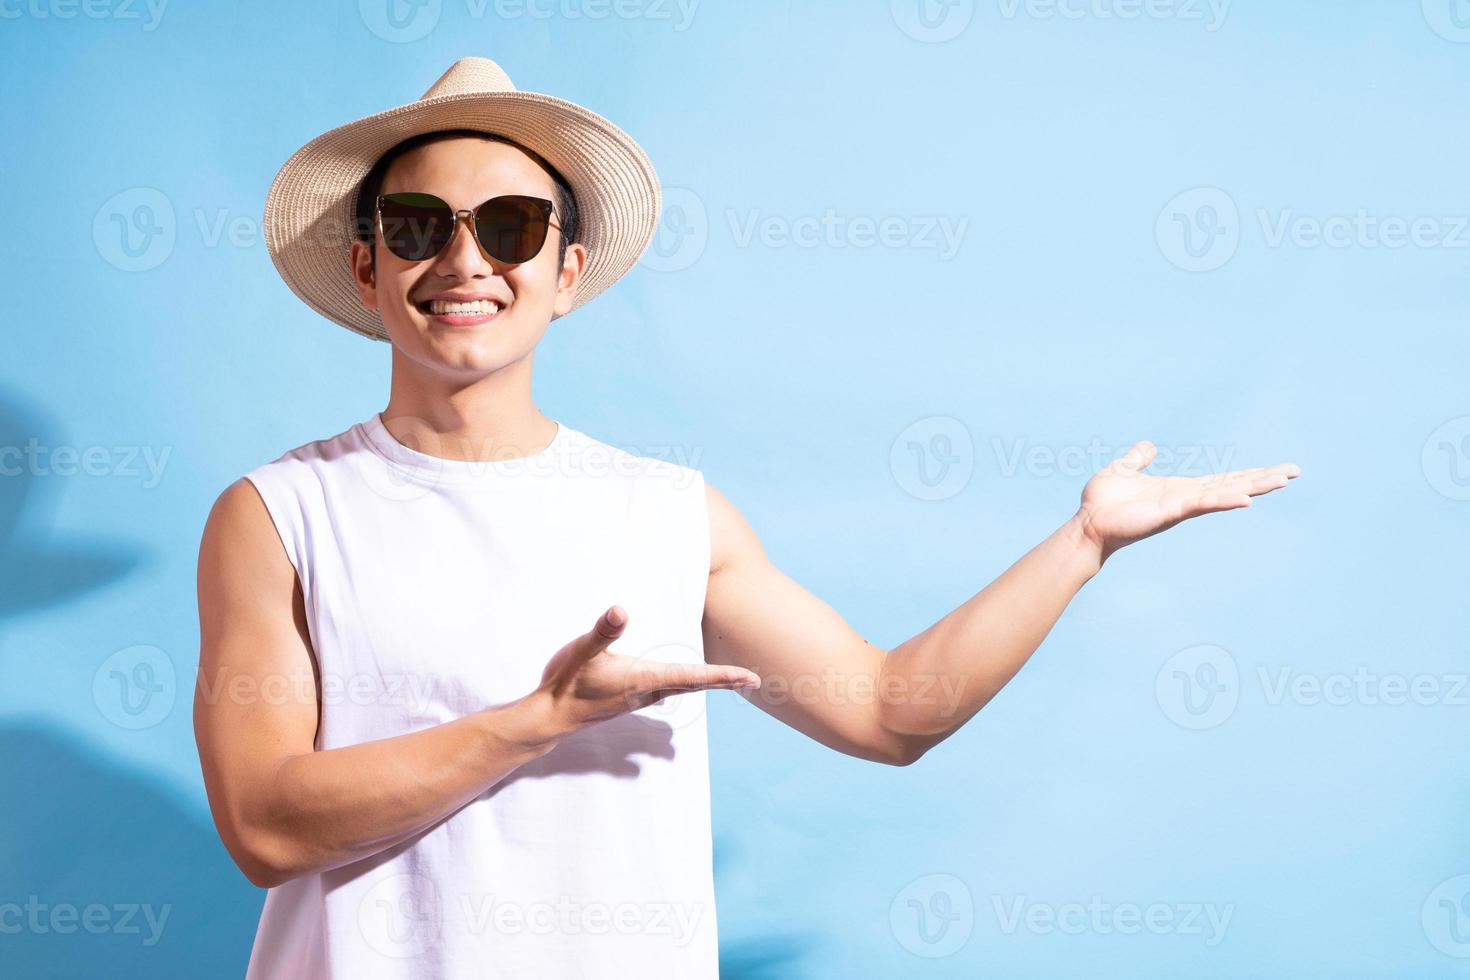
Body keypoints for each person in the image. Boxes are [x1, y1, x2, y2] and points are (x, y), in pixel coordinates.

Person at [193, 56, 1300, 980]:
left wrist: (1083, 543)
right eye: (420, 225)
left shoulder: (667, 512)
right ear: (368, 263)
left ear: (568, 270)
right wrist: (537, 717)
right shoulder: (280, 514)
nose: (467, 259)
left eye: (514, 226)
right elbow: (263, 823)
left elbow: (888, 709)